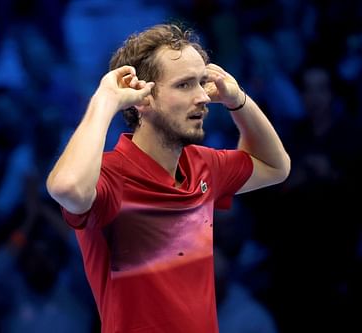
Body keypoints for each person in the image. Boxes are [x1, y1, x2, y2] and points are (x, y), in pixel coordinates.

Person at [45, 23, 290, 333]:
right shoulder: (108, 176)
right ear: (142, 98)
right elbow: (66, 187)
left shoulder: (204, 166)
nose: (203, 96)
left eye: (202, 82)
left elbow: (276, 166)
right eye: (185, 85)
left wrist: (237, 99)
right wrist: (105, 100)